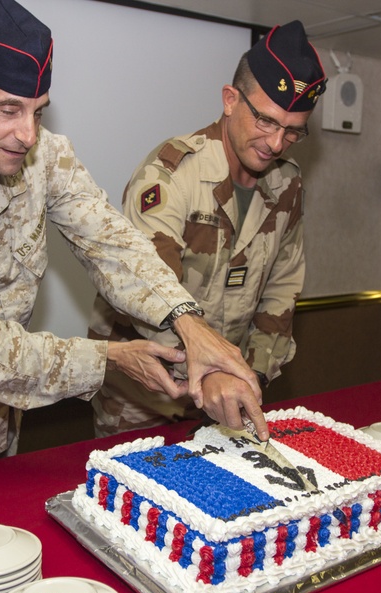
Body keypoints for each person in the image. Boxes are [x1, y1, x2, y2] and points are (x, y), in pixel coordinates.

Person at [0, 0, 266, 481]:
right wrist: (109, 359)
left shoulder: (43, 156)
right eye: (8, 109)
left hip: (4, 428)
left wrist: (188, 322)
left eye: (38, 111)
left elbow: (112, 243)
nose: (28, 134)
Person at [88, 21, 326, 437]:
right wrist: (211, 371)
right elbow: (150, 295)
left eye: (292, 131)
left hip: (228, 391)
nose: (275, 143)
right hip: (147, 394)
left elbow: (282, 290)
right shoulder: (169, 175)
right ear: (230, 100)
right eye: (266, 122)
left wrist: (249, 375)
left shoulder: (286, 183)